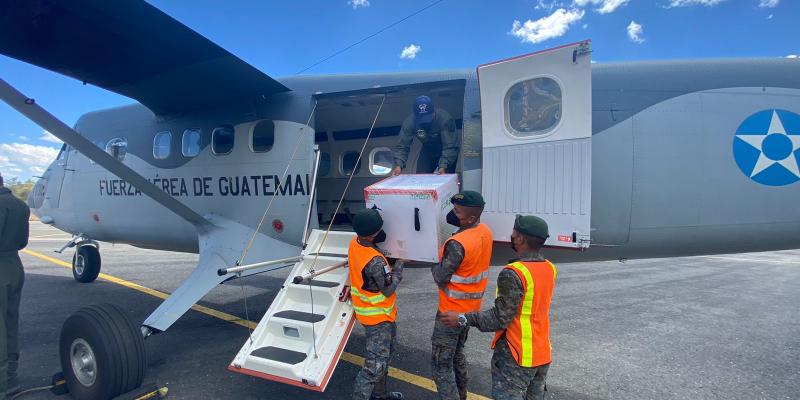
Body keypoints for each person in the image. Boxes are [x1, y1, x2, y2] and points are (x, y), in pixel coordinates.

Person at [440, 215, 557, 400]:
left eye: (513, 232)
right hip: (541, 352)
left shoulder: (513, 273)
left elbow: (499, 318)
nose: (511, 235)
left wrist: (462, 318)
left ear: (520, 238)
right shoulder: (549, 268)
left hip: (517, 356)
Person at [430, 191, 493, 400]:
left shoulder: (457, 244)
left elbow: (440, 276)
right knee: (457, 355)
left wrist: (431, 256)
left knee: (441, 364)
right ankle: (462, 394)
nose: (452, 214)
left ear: (471, 218)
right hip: (469, 311)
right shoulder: (484, 231)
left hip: (450, 314)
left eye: (457, 212)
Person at [348, 208, 404, 400]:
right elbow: (388, 289)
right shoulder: (375, 261)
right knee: (375, 366)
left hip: (372, 314)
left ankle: (380, 395)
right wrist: (400, 265)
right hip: (378, 318)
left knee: (384, 358)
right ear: (373, 235)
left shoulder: (355, 243)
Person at [0, 173, 29, 399]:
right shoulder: (20, 206)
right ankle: (11, 378)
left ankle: (2, 386)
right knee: (10, 322)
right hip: (15, 265)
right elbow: (23, 242)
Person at [391, 95, 459, 176]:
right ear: (415, 115)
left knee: (444, 176)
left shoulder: (445, 119)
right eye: (421, 118)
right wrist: (399, 165)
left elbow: (450, 147)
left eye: (428, 117)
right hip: (428, 150)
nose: (426, 121)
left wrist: (443, 166)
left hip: (447, 150)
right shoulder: (410, 122)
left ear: (433, 111)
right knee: (421, 175)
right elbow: (402, 145)